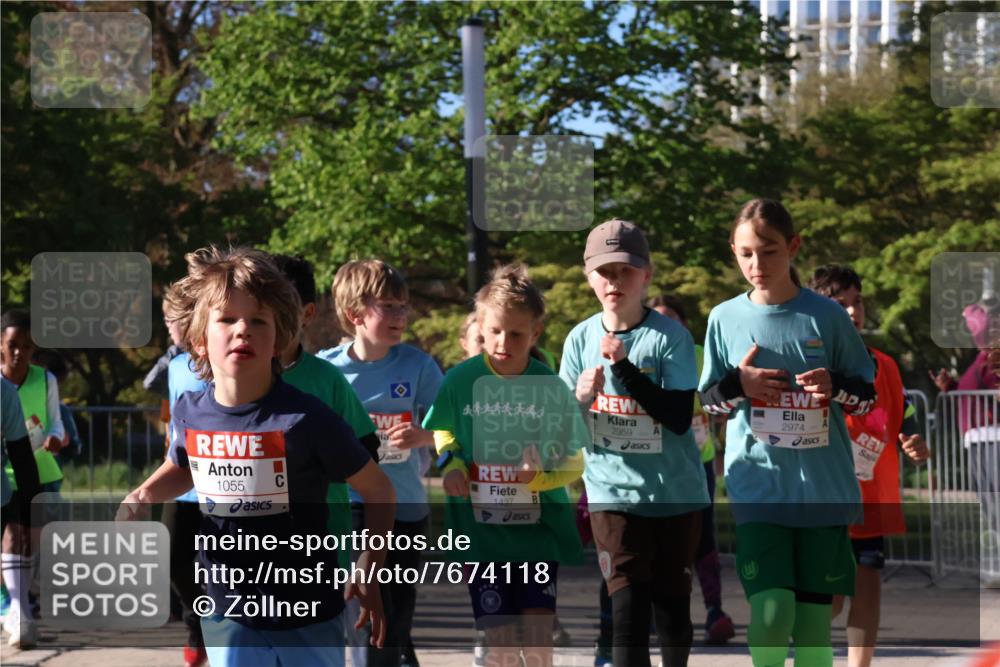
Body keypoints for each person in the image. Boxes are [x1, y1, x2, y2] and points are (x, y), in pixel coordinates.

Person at [117, 246, 396, 667]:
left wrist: (369, 567)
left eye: (258, 321)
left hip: (307, 609)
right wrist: (143, 495)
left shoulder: (307, 418)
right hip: (228, 608)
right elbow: (185, 468)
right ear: (199, 339)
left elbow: (379, 491)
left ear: (279, 339)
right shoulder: (192, 411)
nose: (243, 329)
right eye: (227, 319)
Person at [698, 199, 876, 667]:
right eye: (746, 254)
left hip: (822, 490)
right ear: (733, 252)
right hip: (758, 489)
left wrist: (835, 386)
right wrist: (739, 384)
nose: (757, 264)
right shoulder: (724, 318)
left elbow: (867, 395)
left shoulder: (827, 316)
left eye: (770, 252)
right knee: (773, 612)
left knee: (814, 625)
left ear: (793, 247)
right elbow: (709, 401)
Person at [559, 220, 709, 667]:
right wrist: (579, 399)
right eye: (604, 272)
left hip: (674, 495)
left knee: (672, 614)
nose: (614, 281)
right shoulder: (579, 339)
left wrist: (623, 368)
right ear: (589, 276)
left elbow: (677, 418)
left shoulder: (669, 337)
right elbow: (563, 430)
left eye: (625, 270)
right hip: (612, 496)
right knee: (626, 614)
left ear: (646, 274)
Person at [423, 264, 587, 667]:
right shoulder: (460, 380)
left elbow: (576, 463)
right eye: (495, 331)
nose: (503, 342)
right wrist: (451, 466)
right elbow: (443, 431)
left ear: (536, 332)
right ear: (480, 326)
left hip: (537, 534)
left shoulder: (551, 387)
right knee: (498, 642)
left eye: (516, 334)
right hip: (482, 535)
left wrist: (540, 478)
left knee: (538, 640)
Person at [318, 258, 440, 667]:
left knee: (397, 620)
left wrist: (423, 436)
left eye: (403, 306)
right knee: (367, 618)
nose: (400, 315)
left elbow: (452, 427)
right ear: (355, 313)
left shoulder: (419, 366)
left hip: (406, 508)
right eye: (388, 306)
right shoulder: (328, 369)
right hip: (352, 506)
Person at [807, 264, 929, 667]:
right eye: (840, 304)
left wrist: (911, 438)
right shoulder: (811, 365)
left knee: (868, 584)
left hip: (871, 496)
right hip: (826, 496)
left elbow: (904, 409)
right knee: (831, 599)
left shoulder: (885, 364)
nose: (852, 311)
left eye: (857, 302)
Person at [647, 294, 736, 645]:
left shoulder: (700, 354)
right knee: (654, 538)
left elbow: (718, 395)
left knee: (702, 537)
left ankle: (715, 610)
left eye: (671, 318)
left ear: (684, 324)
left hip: (698, 462)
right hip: (655, 463)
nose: (665, 325)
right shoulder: (643, 355)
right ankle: (654, 612)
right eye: (657, 318)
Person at [1, 310, 65, 634]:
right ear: (1, 344)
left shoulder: (45, 379)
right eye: (13, 344)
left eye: (26, 346)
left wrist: (54, 436)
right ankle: (13, 604)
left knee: (31, 541)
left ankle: (20, 600)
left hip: (40, 470)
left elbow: (56, 422)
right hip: (6, 474)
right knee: (11, 538)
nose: (18, 352)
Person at [0, 377, 41, 648]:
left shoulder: (3, 391)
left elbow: (20, 452)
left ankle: (18, 610)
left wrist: (33, 504)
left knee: (12, 538)